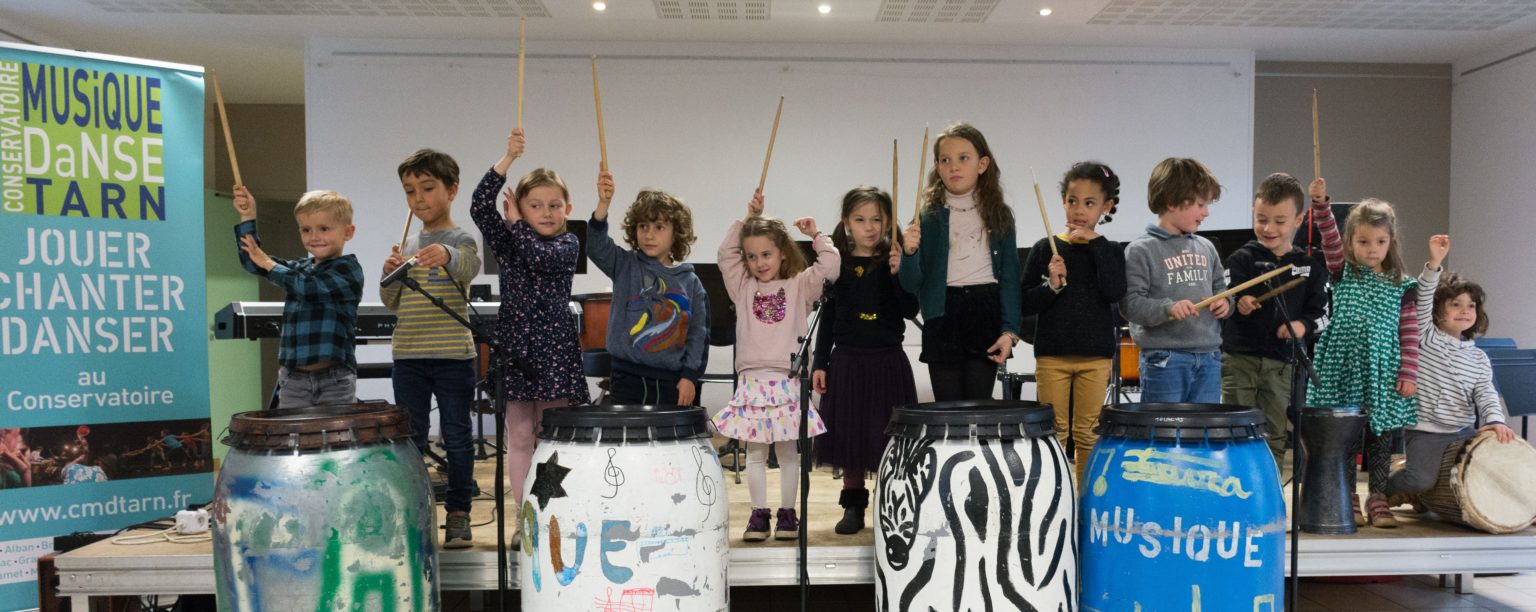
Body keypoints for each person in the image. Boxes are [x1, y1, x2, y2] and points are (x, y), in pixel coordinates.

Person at [469, 127, 591, 545]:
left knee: (552, 435)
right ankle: (526, 520)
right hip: (516, 346)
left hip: (554, 348)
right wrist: (507, 159)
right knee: (520, 435)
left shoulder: (568, 243)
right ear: (519, 206)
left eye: (554, 205)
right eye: (535, 205)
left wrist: (517, 225)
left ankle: (551, 515)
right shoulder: (509, 242)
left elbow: (538, 255)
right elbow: (479, 205)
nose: (546, 212)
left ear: (567, 209)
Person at [713, 190, 839, 542]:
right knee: (755, 453)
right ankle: (758, 514)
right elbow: (725, 255)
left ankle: (787, 514)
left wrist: (816, 235)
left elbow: (831, 266)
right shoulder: (742, 286)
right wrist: (747, 218)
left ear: (783, 252)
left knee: (787, 452)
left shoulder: (799, 286)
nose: (759, 262)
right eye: (752, 256)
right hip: (752, 380)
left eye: (766, 254)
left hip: (787, 378)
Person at [383, 148, 483, 549]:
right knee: (412, 439)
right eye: (410, 191)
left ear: (451, 190)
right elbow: (391, 302)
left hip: (453, 357)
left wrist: (446, 255)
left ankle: (458, 513)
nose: (418, 198)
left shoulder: (461, 239)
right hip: (408, 356)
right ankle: (415, 513)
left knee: (457, 437)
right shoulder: (406, 244)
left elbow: (468, 266)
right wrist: (390, 273)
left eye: (427, 188)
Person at [1306, 184, 1421, 528]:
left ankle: (1378, 497)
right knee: (1346, 436)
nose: (1372, 249)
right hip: (1344, 366)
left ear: (1391, 242)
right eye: (1364, 241)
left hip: (1382, 369)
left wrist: (1408, 371)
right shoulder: (1343, 271)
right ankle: (1348, 497)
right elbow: (1328, 237)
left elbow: (1409, 332)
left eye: (1380, 242)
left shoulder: (1402, 284)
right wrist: (1321, 206)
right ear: (1351, 242)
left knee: (1380, 436)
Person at [812, 186, 918, 535]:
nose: (869, 227)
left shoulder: (895, 260)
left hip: (887, 360)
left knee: (888, 436)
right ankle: (853, 505)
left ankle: (892, 505)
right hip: (848, 360)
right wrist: (820, 362)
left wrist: (900, 273)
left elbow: (910, 309)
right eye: (860, 220)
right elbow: (828, 317)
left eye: (877, 219)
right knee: (851, 435)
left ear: (887, 222)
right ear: (846, 222)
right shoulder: (837, 264)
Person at [1383, 239, 1516, 506]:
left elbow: (1486, 393)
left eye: (1471, 305)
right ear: (1437, 309)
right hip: (1426, 431)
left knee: (1488, 471)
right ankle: (1390, 483)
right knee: (1420, 480)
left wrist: (1495, 420)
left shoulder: (1479, 357)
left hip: (1462, 429)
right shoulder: (1427, 337)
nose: (1465, 310)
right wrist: (1434, 264)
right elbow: (1422, 299)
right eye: (1455, 304)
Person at [1020, 162, 1126, 487]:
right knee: (1054, 432)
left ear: (1106, 207)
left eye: (1089, 203)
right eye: (1072, 201)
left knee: (1088, 433)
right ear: (1063, 201)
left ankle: (1084, 502)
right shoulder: (1045, 248)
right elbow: (1023, 302)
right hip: (1052, 356)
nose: (1079, 210)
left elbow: (1114, 292)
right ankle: (1057, 500)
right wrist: (1051, 285)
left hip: (1095, 357)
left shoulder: (1110, 250)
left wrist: (1096, 245)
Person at [899, 123, 1022, 400]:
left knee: (978, 407)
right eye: (945, 160)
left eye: (963, 158)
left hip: (984, 309)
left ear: (982, 164)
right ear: (937, 167)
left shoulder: (999, 214)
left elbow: (1010, 277)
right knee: (947, 409)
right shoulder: (927, 217)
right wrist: (909, 253)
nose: (953, 166)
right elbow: (911, 284)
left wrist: (1010, 331)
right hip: (942, 314)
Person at [1221, 173, 1332, 470]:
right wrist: (1238, 302)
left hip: (1282, 363)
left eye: (1280, 221)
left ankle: (1268, 488)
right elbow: (1225, 297)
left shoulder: (1308, 267)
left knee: (1273, 430)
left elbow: (1323, 315)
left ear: (1299, 220)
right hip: (1239, 359)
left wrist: (1302, 326)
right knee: (1235, 427)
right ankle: (1234, 484)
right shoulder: (1241, 259)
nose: (1268, 228)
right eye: (1261, 219)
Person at [233, 186, 364, 409]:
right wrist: (248, 216)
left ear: (348, 232)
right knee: (293, 431)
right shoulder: (299, 268)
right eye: (306, 230)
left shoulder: (348, 269)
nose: (314, 237)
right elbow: (253, 261)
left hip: (334, 380)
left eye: (324, 228)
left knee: (334, 432)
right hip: (294, 380)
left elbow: (309, 288)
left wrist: (268, 263)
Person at [587, 168, 709, 405]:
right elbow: (596, 247)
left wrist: (690, 376)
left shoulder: (691, 282)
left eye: (659, 227)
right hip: (626, 378)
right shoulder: (625, 265)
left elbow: (698, 334)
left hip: (671, 382)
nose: (649, 235)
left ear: (676, 233)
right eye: (643, 226)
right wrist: (603, 205)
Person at [1121, 157, 1232, 403]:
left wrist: (1225, 303)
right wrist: (1168, 308)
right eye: (1200, 204)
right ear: (1172, 201)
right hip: (1165, 358)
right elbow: (1130, 304)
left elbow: (1222, 290)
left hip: (1209, 357)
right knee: (1165, 425)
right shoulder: (1140, 250)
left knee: (1203, 425)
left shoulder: (1207, 247)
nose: (1206, 212)